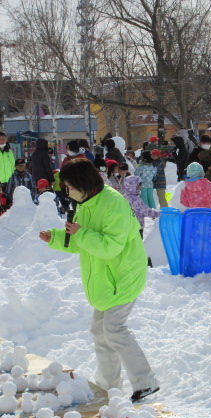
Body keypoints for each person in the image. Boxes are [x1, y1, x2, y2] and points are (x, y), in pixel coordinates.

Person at [38, 159, 159, 401]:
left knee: (114, 330)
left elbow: (109, 246)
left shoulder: (113, 203)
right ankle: (108, 385)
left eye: (69, 186)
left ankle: (145, 381)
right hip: (106, 279)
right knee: (100, 332)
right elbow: (82, 241)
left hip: (122, 277)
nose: (67, 191)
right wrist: (56, 237)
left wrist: (80, 233)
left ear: (82, 183)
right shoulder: (85, 202)